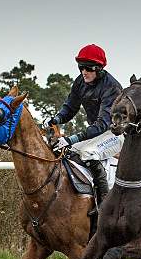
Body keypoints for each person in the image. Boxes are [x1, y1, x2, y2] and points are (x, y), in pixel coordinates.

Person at [42, 44, 123, 215]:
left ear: (99, 69)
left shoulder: (112, 87)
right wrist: (55, 119)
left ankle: (103, 205)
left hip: (114, 134)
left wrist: (72, 138)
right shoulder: (80, 81)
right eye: (81, 67)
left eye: (88, 68)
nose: (83, 72)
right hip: (95, 133)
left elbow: (102, 124)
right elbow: (70, 108)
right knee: (64, 151)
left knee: (88, 153)